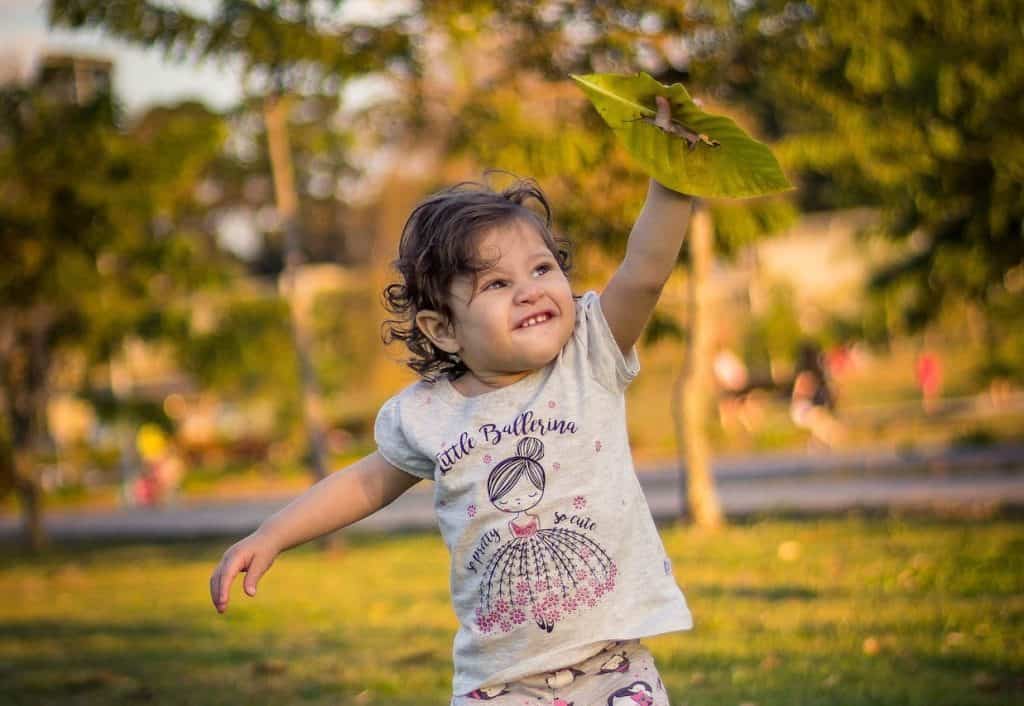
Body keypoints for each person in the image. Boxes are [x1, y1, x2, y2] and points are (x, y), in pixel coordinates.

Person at [209, 172, 695, 705]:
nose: (529, 289)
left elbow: (645, 274)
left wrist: (671, 179)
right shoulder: (429, 414)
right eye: (496, 284)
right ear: (443, 329)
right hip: (500, 684)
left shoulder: (589, 357)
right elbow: (365, 483)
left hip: (612, 666)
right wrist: (272, 535)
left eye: (541, 267)